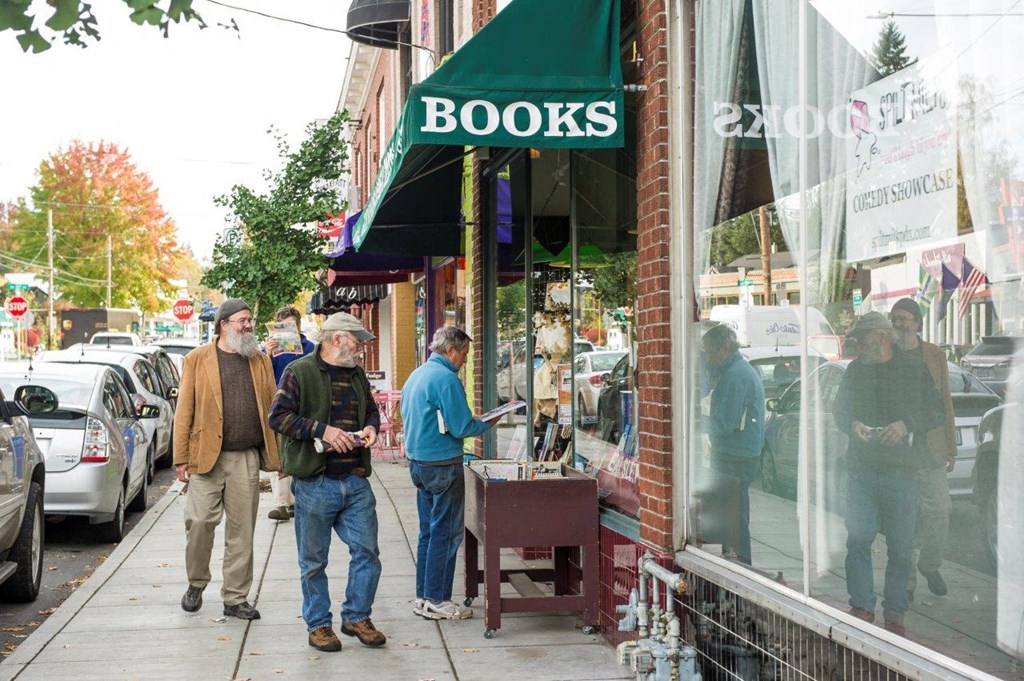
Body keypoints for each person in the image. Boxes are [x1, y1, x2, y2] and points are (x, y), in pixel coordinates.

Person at [268, 311, 385, 653]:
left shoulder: (356, 374)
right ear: (337, 340)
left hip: (355, 478)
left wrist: (371, 429)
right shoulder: (299, 371)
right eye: (357, 341)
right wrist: (323, 430)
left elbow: (372, 411)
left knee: (368, 552)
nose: (362, 348)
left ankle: (356, 616)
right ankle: (319, 624)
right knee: (314, 560)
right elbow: (279, 417)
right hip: (316, 481)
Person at [834, 311, 945, 636]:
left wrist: (905, 425)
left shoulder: (912, 368)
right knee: (858, 538)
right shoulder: (855, 370)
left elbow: (935, 410)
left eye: (863, 337)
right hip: (862, 469)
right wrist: (852, 424)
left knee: (901, 544)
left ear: (881, 337)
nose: (858, 344)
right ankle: (862, 605)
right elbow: (840, 410)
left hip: (901, 470)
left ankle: (894, 612)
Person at [174, 298, 280, 621]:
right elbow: (184, 410)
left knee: (242, 530)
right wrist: (181, 457)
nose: (249, 326)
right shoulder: (197, 359)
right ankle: (196, 582)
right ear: (224, 325)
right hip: (206, 457)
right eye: (242, 321)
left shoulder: (260, 360)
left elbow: (273, 405)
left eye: (250, 320)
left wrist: (279, 455)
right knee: (200, 522)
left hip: (245, 456)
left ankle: (235, 598)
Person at [400, 326, 500, 620]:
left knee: (428, 532)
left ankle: (423, 595)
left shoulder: (417, 375)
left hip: (419, 462)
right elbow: (462, 427)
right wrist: (489, 422)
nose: (466, 361)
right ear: (451, 350)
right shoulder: (447, 380)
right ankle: (437, 598)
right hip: (442, 464)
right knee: (446, 532)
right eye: (465, 354)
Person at [889, 297, 956, 599]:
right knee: (905, 518)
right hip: (898, 449)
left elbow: (944, 402)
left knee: (940, 510)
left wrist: (951, 445)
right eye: (895, 318)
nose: (899, 324)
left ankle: (930, 564)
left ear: (917, 322)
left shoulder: (933, 354)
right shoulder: (885, 354)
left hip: (930, 447)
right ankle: (907, 581)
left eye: (904, 318)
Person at [701, 323, 765, 566]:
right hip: (741, 455)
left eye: (709, 352)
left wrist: (694, 422)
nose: (706, 358)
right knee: (735, 516)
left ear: (723, 349)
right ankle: (739, 563)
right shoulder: (737, 370)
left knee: (734, 519)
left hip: (734, 457)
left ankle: (740, 566)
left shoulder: (734, 376)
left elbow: (723, 424)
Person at [264, 305, 317, 522]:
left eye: (292, 326)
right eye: (283, 327)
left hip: (303, 404)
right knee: (279, 452)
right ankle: (282, 503)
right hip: (279, 405)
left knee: (300, 449)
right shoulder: (271, 350)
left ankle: (296, 499)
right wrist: (267, 354)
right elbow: (260, 376)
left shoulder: (310, 347)